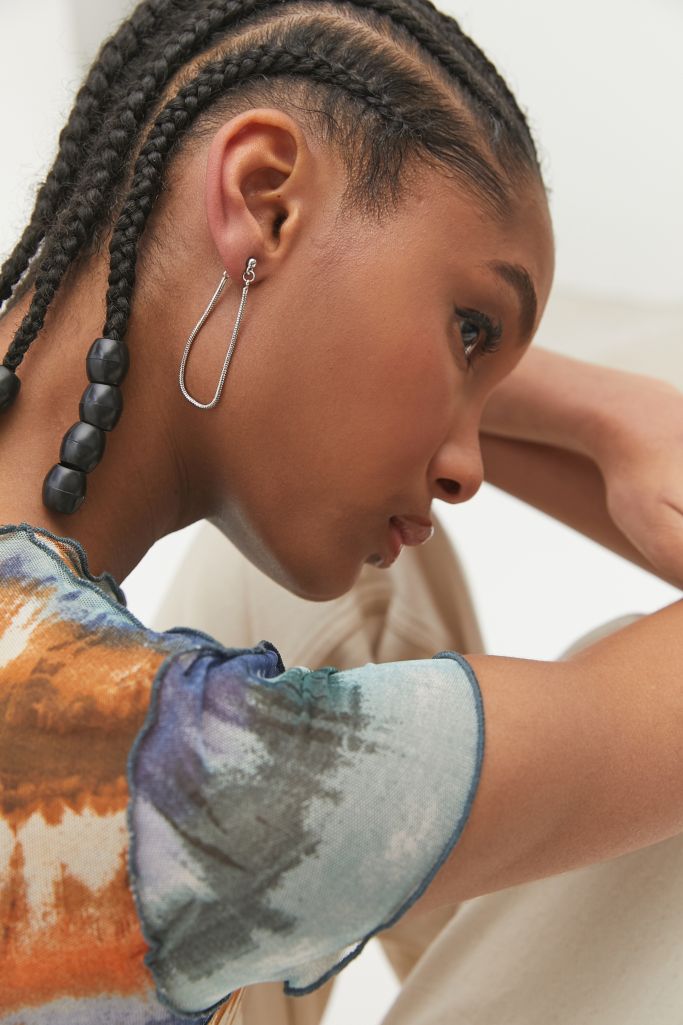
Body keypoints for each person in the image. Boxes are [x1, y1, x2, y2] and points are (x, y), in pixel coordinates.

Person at [1, 2, 682, 1024]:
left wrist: (593, 413)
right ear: (263, 198)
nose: (467, 468)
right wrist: (621, 408)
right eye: (467, 330)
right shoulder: (150, 756)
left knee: (330, 573)